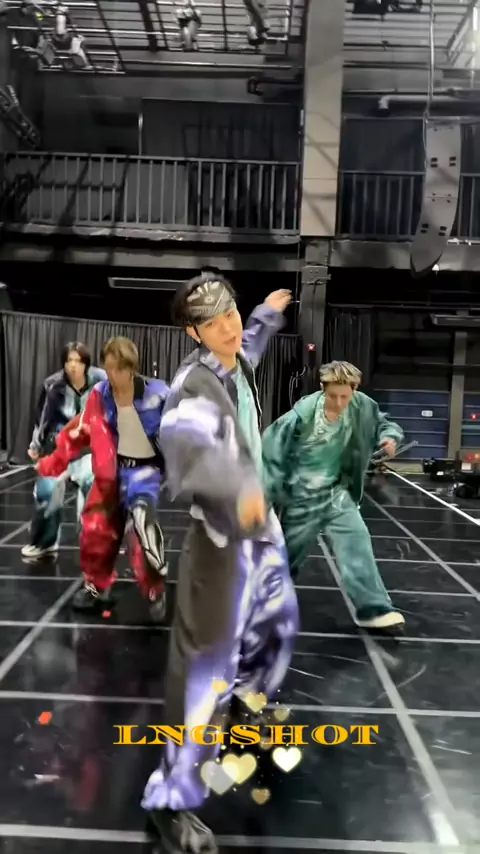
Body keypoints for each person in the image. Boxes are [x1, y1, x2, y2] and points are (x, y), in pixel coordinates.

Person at [141, 274, 299, 854]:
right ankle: (171, 801)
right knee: (203, 672)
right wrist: (238, 491)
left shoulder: (234, 358)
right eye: (214, 323)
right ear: (193, 333)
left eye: (231, 314)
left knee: (276, 628)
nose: (229, 329)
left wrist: (265, 314)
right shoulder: (192, 387)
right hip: (222, 538)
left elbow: (248, 342)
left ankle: (246, 708)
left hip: (261, 531)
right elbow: (189, 450)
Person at [262, 360, 405, 634]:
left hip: (338, 493)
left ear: (354, 390)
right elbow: (270, 454)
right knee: (288, 554)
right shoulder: (301, 416)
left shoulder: (363, 407)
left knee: (357, 540)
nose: (339, 403)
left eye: (344, 396)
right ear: (322, 388)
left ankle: (374, 609)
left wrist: (389, 438)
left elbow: (384, 424)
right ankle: (266, 603)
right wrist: (264, 497)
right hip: (302, 495)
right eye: (332, 396)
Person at [36, 337, 169, 623]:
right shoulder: (100, 395)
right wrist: (54, 461)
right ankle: (97, 586)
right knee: (95, 530)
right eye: (109, 368)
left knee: (141, 529)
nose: (114, 375)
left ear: (131, 367)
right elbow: (78, 430)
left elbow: (183, 430)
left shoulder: (158, 395)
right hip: (110, 474)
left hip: (143, 473)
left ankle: (154, 590)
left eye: (120, 368)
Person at [21, 342, 106, 560]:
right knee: (47, 491)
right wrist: (36, 446)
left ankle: (94, 543)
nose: (73, 366)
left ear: (86, 364)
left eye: (78, 361)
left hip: (89, 448)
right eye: (69, 361)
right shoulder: (53, 385)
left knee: (94, 488)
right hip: (58, 446)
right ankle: (45, 541)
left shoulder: (101, 381)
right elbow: (42, 419)